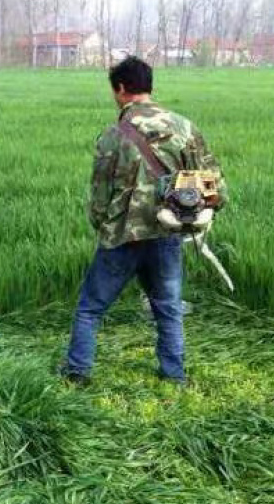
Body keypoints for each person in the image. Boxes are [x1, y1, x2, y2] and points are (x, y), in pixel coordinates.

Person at [62, 56, 225, 386]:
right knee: (168, 308)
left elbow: (99, 198)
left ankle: (77, 373)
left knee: (91, 308)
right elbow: (215, 185)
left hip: (122, 237)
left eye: (114, 91)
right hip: (168, 233)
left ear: (121, 89)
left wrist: (104, 227)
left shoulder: (113, 136)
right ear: (148, 86)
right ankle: (174, 375)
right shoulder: (184, 127)